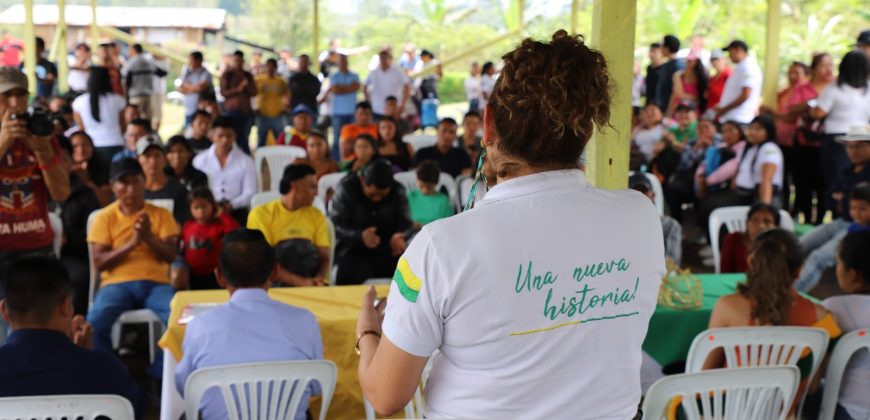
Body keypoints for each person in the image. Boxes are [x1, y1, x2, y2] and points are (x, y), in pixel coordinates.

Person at [356, 30, 664, 418]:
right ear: (586, 131)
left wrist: (367, 332)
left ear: (488, 126)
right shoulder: (640, 216)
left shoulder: (440, 245)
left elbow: (385, 396)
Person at [175, 229, 323, 420]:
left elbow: (185, 386)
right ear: (275, 272)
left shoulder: (200, 326)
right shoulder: (305, 321)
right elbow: (317, 386)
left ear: (219, 276)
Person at [705, 229, 841, 409]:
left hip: (729, 411)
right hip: (785, 414)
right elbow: (813, 387)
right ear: (799, 270)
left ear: (751, 262)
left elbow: (705, 373)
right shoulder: (821, 317)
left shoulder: (728, 306)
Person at [0, 256, 145, 417]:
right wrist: (89, 358)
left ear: (4, 310)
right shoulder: (106, 369)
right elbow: (133, 412)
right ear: (66, 306)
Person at [87, 158, 178, 378]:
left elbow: (171, 255)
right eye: (123, 183)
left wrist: (148, 238)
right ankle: (111, 376)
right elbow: (99, 262)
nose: (130, 189)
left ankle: (158, 374)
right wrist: (132, 243)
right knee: (95, 323)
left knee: (179, 319)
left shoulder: (161, 214)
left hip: (157, 284)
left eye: (135, 181)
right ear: (112, 185)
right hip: (116, 285)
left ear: (144, 182)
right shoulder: (104, 217)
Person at [0, 67, 70, 341]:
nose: (16, 104)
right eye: (7, 96)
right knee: (6, 339)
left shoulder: (40, 133)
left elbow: (61, 192)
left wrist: (42, 150)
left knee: (48, 332)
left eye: (21, 95)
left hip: (37, 249)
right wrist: (4, 141)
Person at [699, 115, 784, 236]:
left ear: (768, 132)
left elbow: (767, 179)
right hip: (742, 192)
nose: (752, 132)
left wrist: (764, 208)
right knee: (707, 204)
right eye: (751, 128)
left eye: (758, 129)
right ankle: (718, 245)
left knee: (715, 208)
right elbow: (738, 169)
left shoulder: (769, 149)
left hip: (759, 195)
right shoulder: (751, 147)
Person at [247, 164, 331, 286]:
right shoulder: (261, 214)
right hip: (275, 283)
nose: (316, 193)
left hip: (311, 281)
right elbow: (263, 261)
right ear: (295, 186)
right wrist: (302, 283)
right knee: (287, 251)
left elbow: (324, 256)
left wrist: (319, 277)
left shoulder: (316, 215)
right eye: (312, 187)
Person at [330, 160, 411, 285]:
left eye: (382, 197)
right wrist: (360, 235)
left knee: (411, 276)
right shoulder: (346, 189)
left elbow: (407, 223)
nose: (377, 200)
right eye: (372, 195)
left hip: (388, 250)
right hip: (354, 250)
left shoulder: (398, 190)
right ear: (363, 181)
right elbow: (334, 225)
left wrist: (399, 235)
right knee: (346, 278)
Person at [810, 50, 870, 218]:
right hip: (864, 139)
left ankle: (840, 217)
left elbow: (818, 113)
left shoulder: (835, 88)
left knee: (836, 183)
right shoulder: (867, 89)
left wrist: (809, 107)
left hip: (836, 141)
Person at [822, 231, 870, 420]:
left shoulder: (833, 308)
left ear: (853, 274)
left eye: (838, 263)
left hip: (848, 411)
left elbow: (819, 368)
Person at [62, 132, 111, 314]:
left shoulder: (98, 175)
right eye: (76, 146)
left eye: (85, 145)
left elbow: (98, 218)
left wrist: (87, 182)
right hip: (48, 251)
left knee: (80, 277)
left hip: (79, 251)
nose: (81, 150)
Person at [796, 182, 870, 293]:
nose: (857, 213)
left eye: (862, 209)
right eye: (853, 208)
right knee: (798, 246)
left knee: (817, 257)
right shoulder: (854, 226)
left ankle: (793, 293)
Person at [793, 53, 835, 225]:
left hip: (826, 145)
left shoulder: (837, 87)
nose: (829, 69)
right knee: (804, 186)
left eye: (831, 65)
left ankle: (820, 222)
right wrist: (812, 103)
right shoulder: (803, 89)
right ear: (814, 69)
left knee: (824, 186)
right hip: (804, 144)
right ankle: (807, 221)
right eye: (824, 65)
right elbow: (791, 110)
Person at [192, 116, 257, 224]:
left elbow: (250, 192)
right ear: (212, 136)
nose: (225, 140)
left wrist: (232, 205)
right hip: (206, 212)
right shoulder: (199, 161)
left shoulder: (246, 161)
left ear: (235, 136)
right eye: (220, 135)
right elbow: (196, 191)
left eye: (229, 136)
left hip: (236, 211)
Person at [178, 187, 239, 290]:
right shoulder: (188, 225)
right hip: (193, 274)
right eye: (196, 208)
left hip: (215, 274)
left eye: (204, 207)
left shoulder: (219, 225)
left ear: (212, 206)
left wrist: (222, 215)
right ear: (190, 208)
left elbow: (234, 231)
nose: (200, 211)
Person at [72, 66, 127, 166]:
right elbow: (123, 125)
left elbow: (81, 128)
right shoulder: (118, 100)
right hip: (115, 143)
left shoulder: (78, 102)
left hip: (91, 146)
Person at [630, 173, 681, 265]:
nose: (640, 196)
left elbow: (671, 265)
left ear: (653, 196)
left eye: (643, 192)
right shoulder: (621, 225)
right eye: (635, 192)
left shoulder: (669, 226)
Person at [137, 135, 189, 224]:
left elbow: (183, 224)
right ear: (138, 159)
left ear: (165, 158)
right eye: (147, 156)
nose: (153, 161)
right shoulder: (133, 191)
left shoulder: (179, 190)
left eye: (157, 155)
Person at [719, 203, 780, 273]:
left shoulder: (780, 245)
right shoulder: (732, 240)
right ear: (747, 223)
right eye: (755, 220)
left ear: (776, 226)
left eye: (767, 221)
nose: (761, 226)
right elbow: (724, 273)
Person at [714, 40, 762, 125]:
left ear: (738, 50)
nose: (729, 56)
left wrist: (724, 109)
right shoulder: (742, 67)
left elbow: (745, 95)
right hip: (733, 118)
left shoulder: (748, 67)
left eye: (730, 52)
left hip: (739, 118)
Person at [695, 120, 747, 198]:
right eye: (724, 131)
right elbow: (704, 163)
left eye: (731, 130)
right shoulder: (721, 146)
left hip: (731, 186)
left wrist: (707, 181)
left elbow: (733, 165)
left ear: (739, 132)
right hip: (710, 184)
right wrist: (700, 177)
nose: (727, 134)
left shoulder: (743, 147)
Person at [220, 50, 258, 154]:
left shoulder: (248, 75)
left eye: (240, 61)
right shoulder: (227, 75)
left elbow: (254, 92)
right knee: (231, 137)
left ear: (243, 61)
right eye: (235, 60)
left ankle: (245, 159)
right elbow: (223, 92)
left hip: (245, 111)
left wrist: (246, 87)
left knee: (245, 137)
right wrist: (238, 89)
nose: (238, 62)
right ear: (232, 60)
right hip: (231, 111)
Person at [329, 54, 360, 160]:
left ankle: (352, 158)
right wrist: (349, 87)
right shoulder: (334, 76)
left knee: (352, 137)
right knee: (337, 138)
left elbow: (356, 87)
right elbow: (335, 90)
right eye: (340, 61)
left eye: (343, 61)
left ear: (347, 62)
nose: (342, 63)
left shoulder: (354, 75)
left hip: (352, 111)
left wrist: (342, 88)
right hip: (337, 112)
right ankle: (336, 160)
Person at [122, 44, 164, 121]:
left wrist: (126, 98)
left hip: (135, 96)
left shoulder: (131, 63)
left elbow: (126, 79)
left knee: (135, 120)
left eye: (130, 50)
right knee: (147, 121)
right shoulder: (149, 62)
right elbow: (162, 73)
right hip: (149, 95)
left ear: (134, 50)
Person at [366, 47, 411, 120]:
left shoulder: (398, 71)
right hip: (377, 108)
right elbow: (365, 86)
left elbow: (407, 87)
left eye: (385, 58)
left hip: (394, 109)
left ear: (390, 59)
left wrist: (403, 104)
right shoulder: (374, 72)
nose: (383, 60)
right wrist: (368, 101)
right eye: (381, 58)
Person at [255, 58, 289, 147]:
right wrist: (255, 108)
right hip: (263, 115)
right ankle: (260, 160)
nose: (270, 68)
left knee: (281, 140)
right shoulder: (258, 80)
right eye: (268, 66)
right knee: (261, 140)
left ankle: (282, 159)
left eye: (272, 66)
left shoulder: (281, 81)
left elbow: (288, 96)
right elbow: (252, 95)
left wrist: (285, 107)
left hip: (277, 115)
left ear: (276, 68)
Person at [407, 160, 453, 228]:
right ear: (417, 180)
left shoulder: (443, 200)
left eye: (429, 187)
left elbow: (447, 223)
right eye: (421, 186)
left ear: (435, 184)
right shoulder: (410, 196)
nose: (425, 190)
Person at [177, 51, 214, 126]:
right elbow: (179, 88)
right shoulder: (188, 72)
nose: (189, 62)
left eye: (191, 60)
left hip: (201, 110)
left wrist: (186, 86)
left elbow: (201, 87)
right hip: (189, 109)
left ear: (199, 60)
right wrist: (194, 88)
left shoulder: (205, 73)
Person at [654, 35, 685, 113]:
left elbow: (676, 92)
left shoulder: (678, 66)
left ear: (667, 48)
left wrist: (669, 112)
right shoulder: (666, 65)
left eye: (662, 45)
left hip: (670, 110)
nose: (660, 48)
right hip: (660, 108)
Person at [289, 54, 321, 120]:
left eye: (305, 61)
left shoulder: (314, 79)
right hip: (295, 108)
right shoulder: (293, 78)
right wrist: (307, 88)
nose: (303, 63)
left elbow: (315, 92)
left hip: (311, 108)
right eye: (301, 61)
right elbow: (292, 91)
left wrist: (300, 88)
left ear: (308, 63)